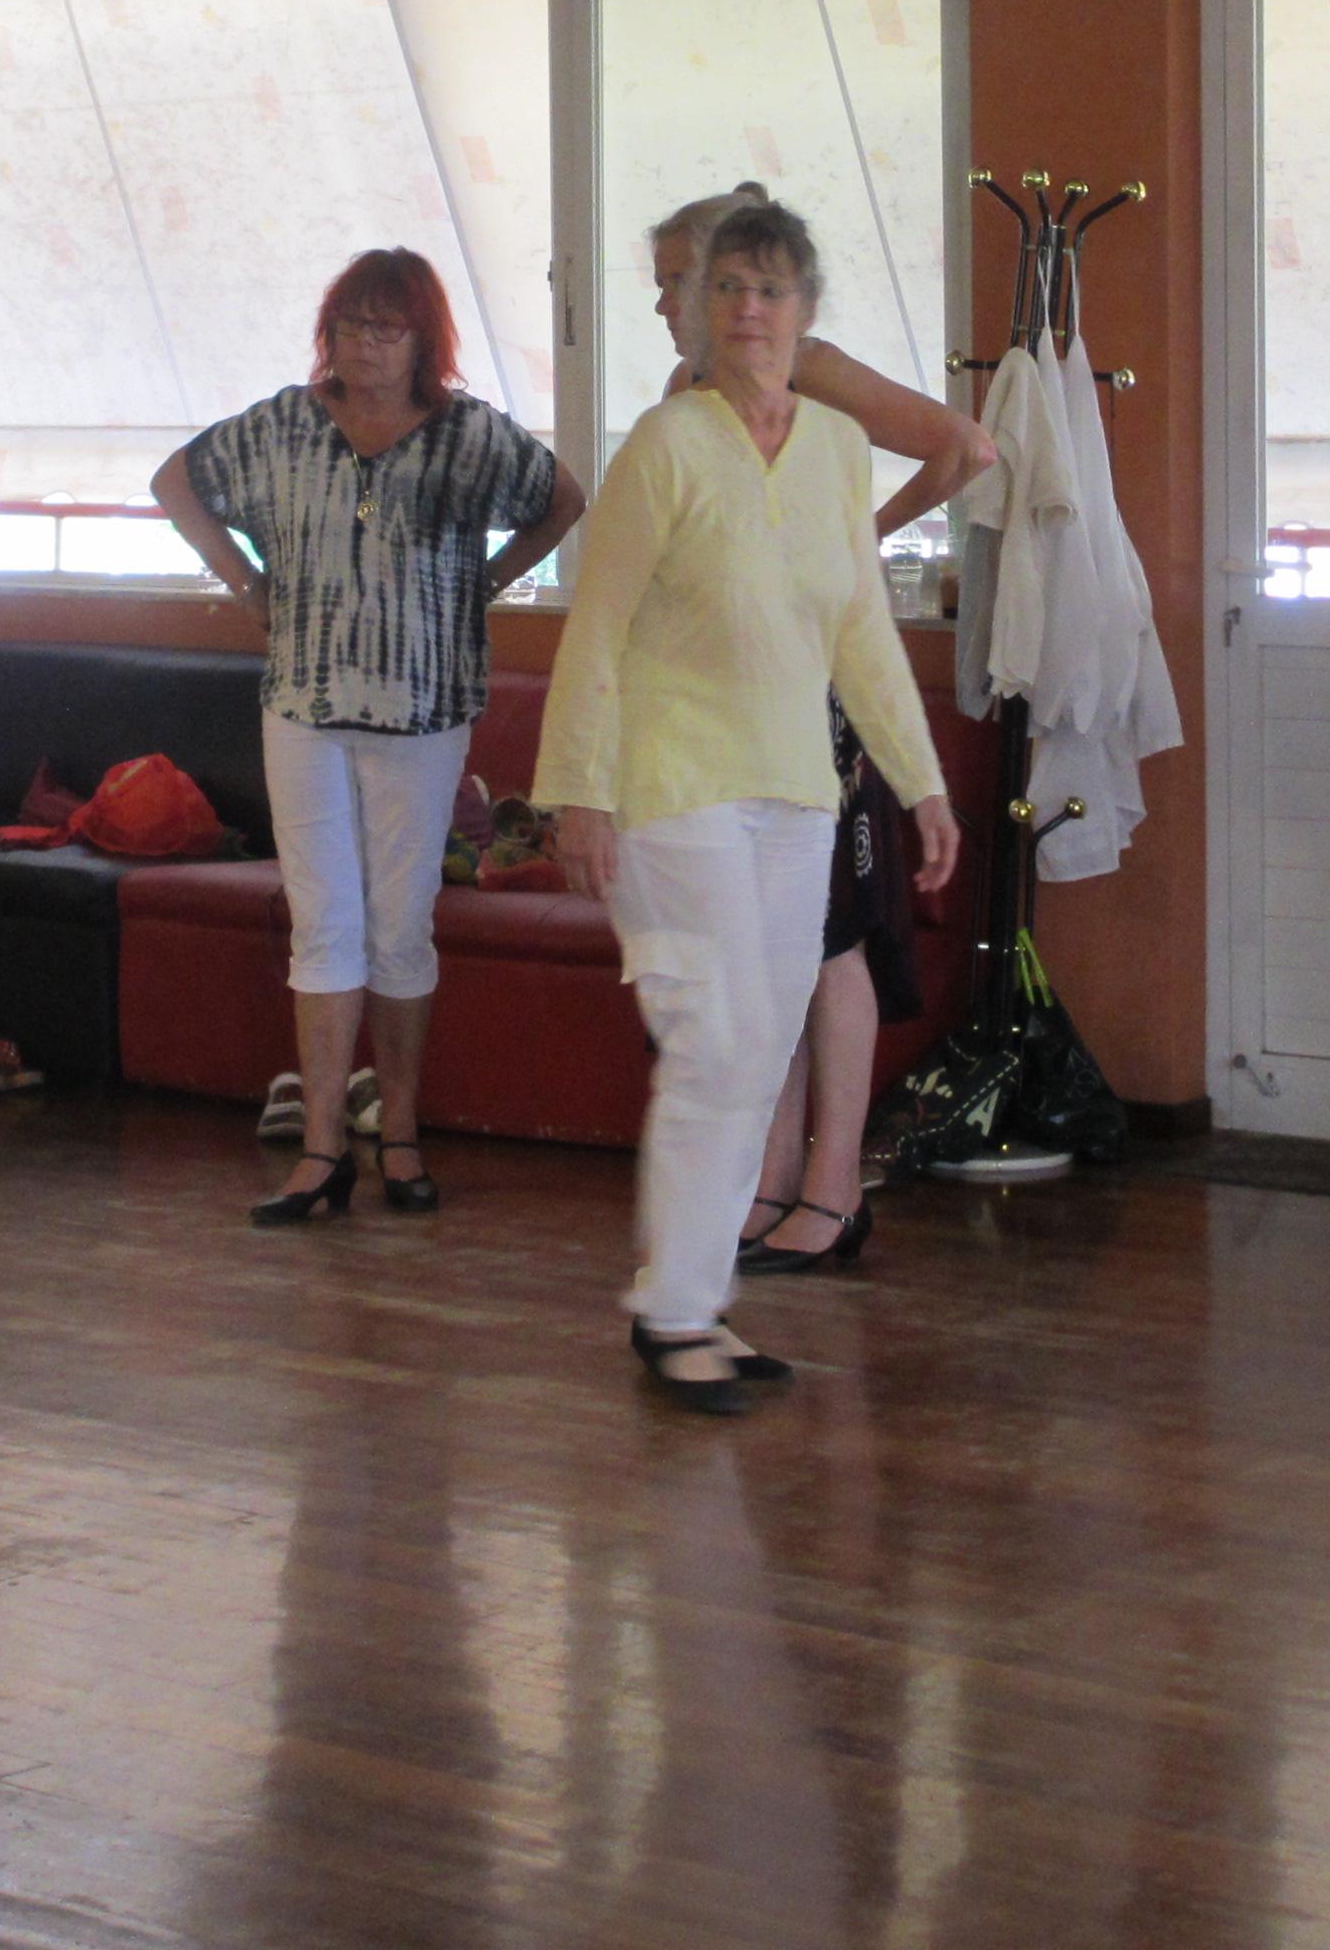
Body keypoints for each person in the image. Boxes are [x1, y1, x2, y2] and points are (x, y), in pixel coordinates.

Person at [541, 196, 959, 1409]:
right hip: (673, 787)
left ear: (805, 311)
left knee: (762, 1042)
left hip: (795, 793)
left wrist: (922, 781)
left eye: (771, 290)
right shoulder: (665, 445)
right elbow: (597, 626)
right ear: (696, 307)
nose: (748, 310)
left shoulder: (835, 447)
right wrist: (576, 793)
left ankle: (693, 1300)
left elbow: (860, 632)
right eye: (725, 288)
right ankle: (675, 1311)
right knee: (714, 1042)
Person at [155, 249, 584, 1223]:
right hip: (303, 709)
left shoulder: (469, 435)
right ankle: (320, 1151)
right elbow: (176, 482)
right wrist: (247, 582)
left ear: (423, 338)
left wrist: (487, 581)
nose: (366, 345)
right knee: (324, 926)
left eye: (387, 327)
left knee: (400, 926)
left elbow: (564, 499)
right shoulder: (283, 424)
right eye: (351, 325)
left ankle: (398, 1134)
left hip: (424, 714)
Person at [647, 182, 995, 1274]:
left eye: (678, 280)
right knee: (764, 946)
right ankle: (771, 1177)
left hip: (820, 689)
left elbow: (964, 447)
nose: (665, 303)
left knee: (831, 936)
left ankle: (835, 1186)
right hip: (731, 703)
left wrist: (855, 535)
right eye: (668, 285)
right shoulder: (685, 395)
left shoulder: (814, 368)